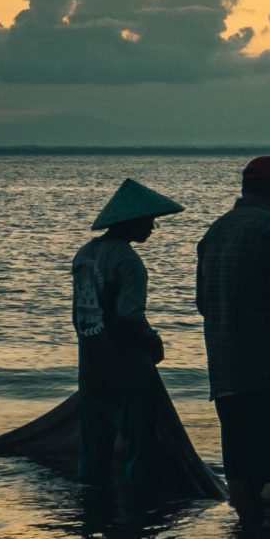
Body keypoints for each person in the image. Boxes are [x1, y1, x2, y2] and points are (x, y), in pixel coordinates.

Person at [194, 156, 270, 531]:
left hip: (224, 371)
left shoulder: (214, 233)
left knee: (241, 462)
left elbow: (203, 303)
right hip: (265, 367)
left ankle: (248, 536)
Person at [72, 178, 183, 494]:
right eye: (149, 221)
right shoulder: (128, 262)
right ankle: (139, 513)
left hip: (91, 365)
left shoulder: (85, 254)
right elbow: (129, 317)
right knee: (138, 447)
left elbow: (82, 316)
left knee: (94, 449)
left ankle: (93, 510)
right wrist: (153, 343)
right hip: (127, 369)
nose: (152, 228)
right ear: (131, 221)